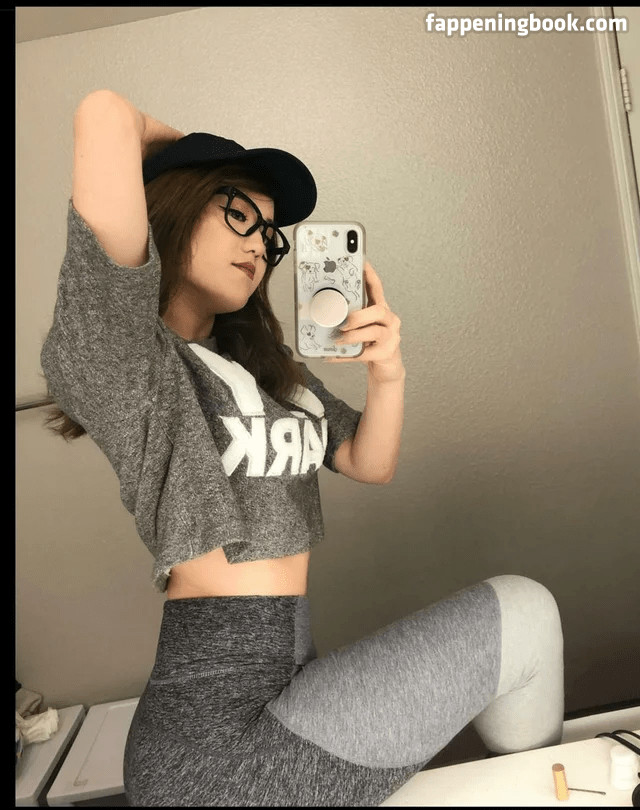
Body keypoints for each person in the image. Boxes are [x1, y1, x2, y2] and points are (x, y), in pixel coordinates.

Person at [40, 89, 565, 807]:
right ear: (175, 204)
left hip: (285, 680)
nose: (261, 243)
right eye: (239, 213)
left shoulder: (265, 371)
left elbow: (368, 463)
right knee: (523, 614)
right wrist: (192, 154)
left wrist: (388, 372)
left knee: (525, 617)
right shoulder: (128, 364)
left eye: (270, 233)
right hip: (210, 740)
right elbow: (104, 113)